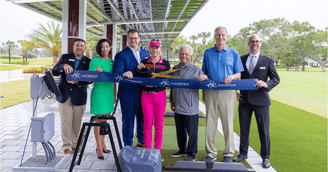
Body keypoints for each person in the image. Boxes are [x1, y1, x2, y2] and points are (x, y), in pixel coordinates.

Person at [233, 35, 280, 168]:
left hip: (261, 101)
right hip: (244, 100)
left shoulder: (268, 60)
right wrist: (234, 91)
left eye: (257, 41)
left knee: (264, 130)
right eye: (252, 41)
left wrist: (266, 84)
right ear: (248, 43)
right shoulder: (241, 59)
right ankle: (243, 153)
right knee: (244, 129)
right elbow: (236, 77)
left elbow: (276, 79)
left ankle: (265, 157)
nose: (255, 43)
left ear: (260, 43)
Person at [202, 26, 244, 162]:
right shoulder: (208, 53)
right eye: (218, 35)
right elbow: (205, 73)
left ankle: (228, 154)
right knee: (210, 124)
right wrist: (203, 80)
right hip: (211, 92)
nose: (220, 37)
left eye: (223, 35)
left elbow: (239, 73)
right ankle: (210, 153)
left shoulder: (233, 53)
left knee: (228, 123)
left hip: (228, 92)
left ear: (226, 36)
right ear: (214, 36)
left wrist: (232, 76)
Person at [125, 39, 170, 151]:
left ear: (160, 49)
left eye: (157, 47)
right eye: (153, 47)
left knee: (159, 125)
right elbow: (139, 80)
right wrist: (138, 70)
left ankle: (157, 150)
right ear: (149, 49)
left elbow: (166, 81)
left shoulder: (165, 63)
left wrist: (154, 85)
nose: (155, 50)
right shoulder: (144, 63)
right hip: (146, 96)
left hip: (160, 96)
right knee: (147, 124)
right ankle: (148, 150)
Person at [52, 39, 91, 155]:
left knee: (77, 122)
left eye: (82, 46)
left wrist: (78, 82)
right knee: (66, 122)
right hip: (64, 96)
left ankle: (76, 145)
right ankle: (66, 146)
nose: (79, 47)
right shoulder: (65, 58)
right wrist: (62, 66)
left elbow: (90, 80)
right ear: (73, 48)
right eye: (77, 45)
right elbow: (54, 71)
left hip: (80, 96)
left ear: (85, 48)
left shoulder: (88, 61)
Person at [169, 44, 207, 161]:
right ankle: (182, 150)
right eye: (182, 54)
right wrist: (172, 100)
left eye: (186, 54)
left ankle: (192, 154)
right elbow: (172, 86)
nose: (184, 56)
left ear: (190, 56)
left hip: (191, 107)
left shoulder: (196, 69)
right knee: (180, 131)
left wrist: (204, 77)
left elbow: (204, 81)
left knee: (192, 133)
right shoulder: (175, 69)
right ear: (179, 55)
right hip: (178, 105)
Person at [113, 29, 149, 147]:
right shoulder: (121, 55)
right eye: (131, 38)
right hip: (128, 94)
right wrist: (124, 73)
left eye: (135, 38)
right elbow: (117, 71)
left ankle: (141, 141)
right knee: (128, 121)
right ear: (127, 40)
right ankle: (127, 145)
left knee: (142, 120)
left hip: (144, 93)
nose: (133, 40)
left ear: (139, 39)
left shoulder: (146, 53)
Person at [89, 39, 115, 160]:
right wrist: (96, 72)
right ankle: (99, 146)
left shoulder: (112, 62)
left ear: (110, 48)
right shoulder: (94, 61)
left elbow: (114, 79)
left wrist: (114, 95)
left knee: (105, 120)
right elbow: (90, 77)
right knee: (98, 121)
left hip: (109, 94)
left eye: (107, 46)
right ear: (99, 48)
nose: (105, 49)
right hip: (99, 94)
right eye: (102, 47)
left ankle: (104, 143)